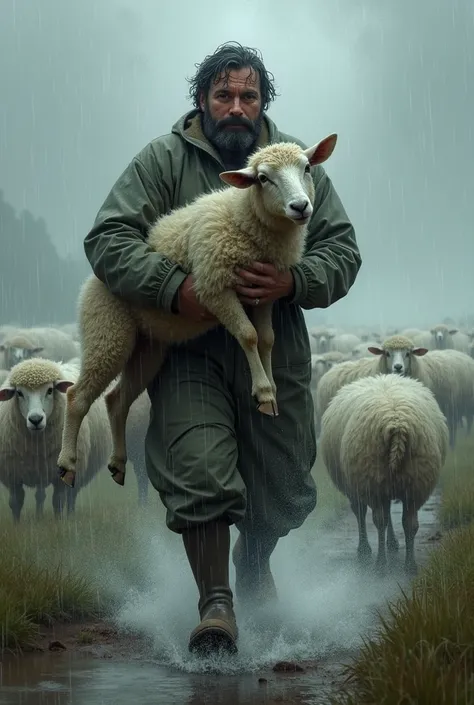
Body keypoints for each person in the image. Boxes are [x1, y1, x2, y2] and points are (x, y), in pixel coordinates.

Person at [83, 41, 362, 656]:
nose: (236, 107)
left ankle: (254, 561)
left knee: (282, 480)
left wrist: (295, 280)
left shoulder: (296, 163)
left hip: (274, 346)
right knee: (199, 468)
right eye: (223, 95)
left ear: (263, 103)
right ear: (203, 100)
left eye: (248, 96)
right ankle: (216, 603)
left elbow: (342, 249)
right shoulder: (162, 162)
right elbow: (107, 237)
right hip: (186, 352)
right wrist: (172, 287)